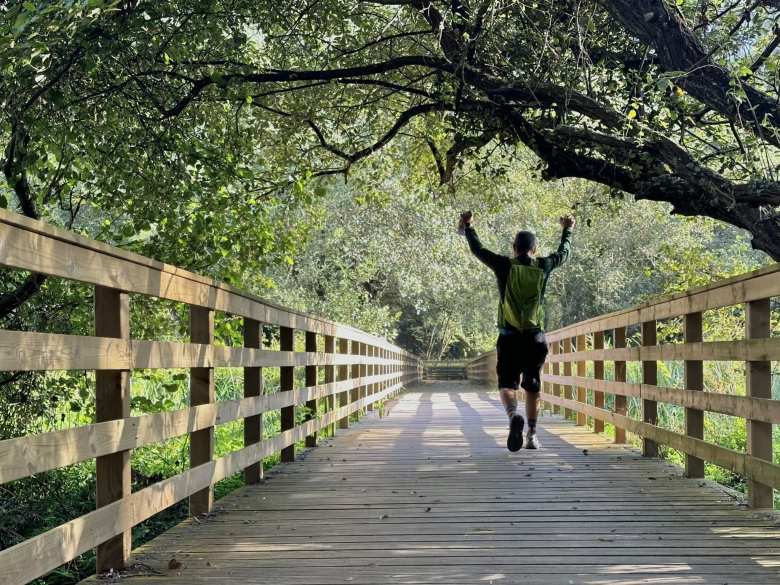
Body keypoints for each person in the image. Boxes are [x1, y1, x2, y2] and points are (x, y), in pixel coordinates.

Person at [459, 211, 575, 451]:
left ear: (514, 247)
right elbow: (564, 254)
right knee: (532, 386)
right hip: (535, 338)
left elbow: (478, 250)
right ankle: (532, 435)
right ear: (535, 249)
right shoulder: (543, 265)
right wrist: (567, 230)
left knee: (507, 385)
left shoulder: (503, 265)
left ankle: (513, 417)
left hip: (509, 338)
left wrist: (469, 227)